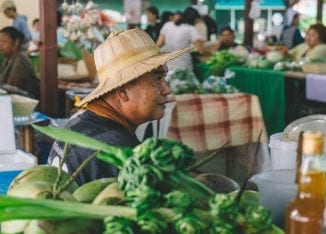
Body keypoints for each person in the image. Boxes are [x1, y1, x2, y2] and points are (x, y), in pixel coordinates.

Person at [47, 29, 191, 185]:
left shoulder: (78, 123)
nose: (167, 89)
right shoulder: (119, 153)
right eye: (157, 79)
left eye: (164, 78)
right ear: (122, 91)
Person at [0, 27, 39, 98]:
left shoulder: (20, 60)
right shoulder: (7, 59)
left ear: (16, 43)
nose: (0, 45)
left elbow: (11, 88)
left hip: (25, 102)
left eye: (4, 41)